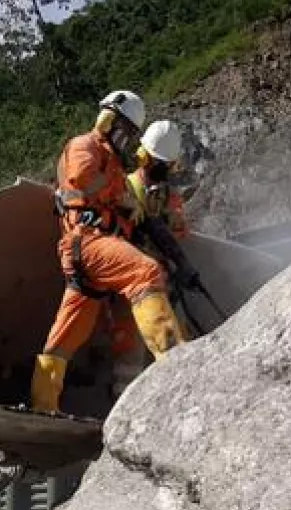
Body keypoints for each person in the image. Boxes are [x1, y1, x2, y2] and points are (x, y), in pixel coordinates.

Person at [31, 90, 188, 413]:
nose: (126, 140)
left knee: (66, 334)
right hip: (88, 242)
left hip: (93, 251)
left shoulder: (115, 164)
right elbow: (83, 179)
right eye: (124, 131)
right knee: (145, 271)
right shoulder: (84, 145)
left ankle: (42, 404)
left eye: (131, 135)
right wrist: (122, 198)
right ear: (108, 120)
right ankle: (176, 364)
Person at [108, 119, 196, 397]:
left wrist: (172, 222)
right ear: (145, 157)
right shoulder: (126, 187)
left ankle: (180, 396)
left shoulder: (168, 194)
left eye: (166, 165)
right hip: (132, 284)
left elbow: (180, 233)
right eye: (160, 163)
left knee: (177, 339)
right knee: (130, 351)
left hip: (162, 283)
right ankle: (123, 403)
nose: (164, 169)